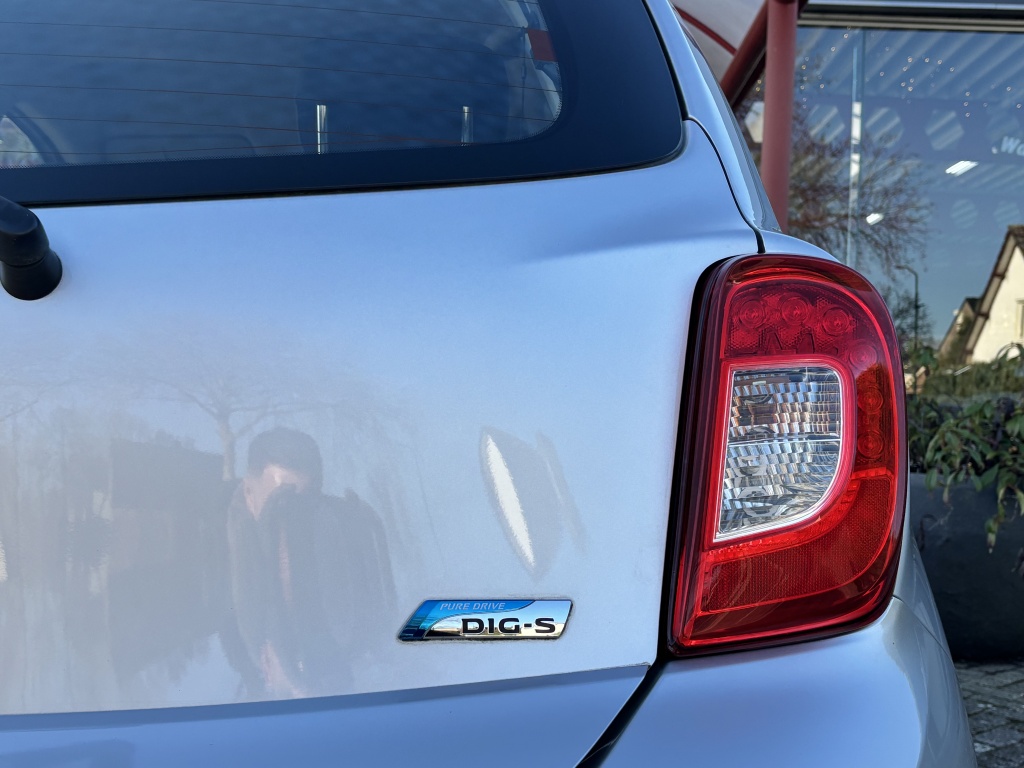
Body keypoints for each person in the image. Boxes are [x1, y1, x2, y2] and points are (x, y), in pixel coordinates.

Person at [223, 427, 394, 699]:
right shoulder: (209, 559)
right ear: (248, 493)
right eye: (281, 501)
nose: (293, 516)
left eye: (304, 502)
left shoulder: (344, 533)